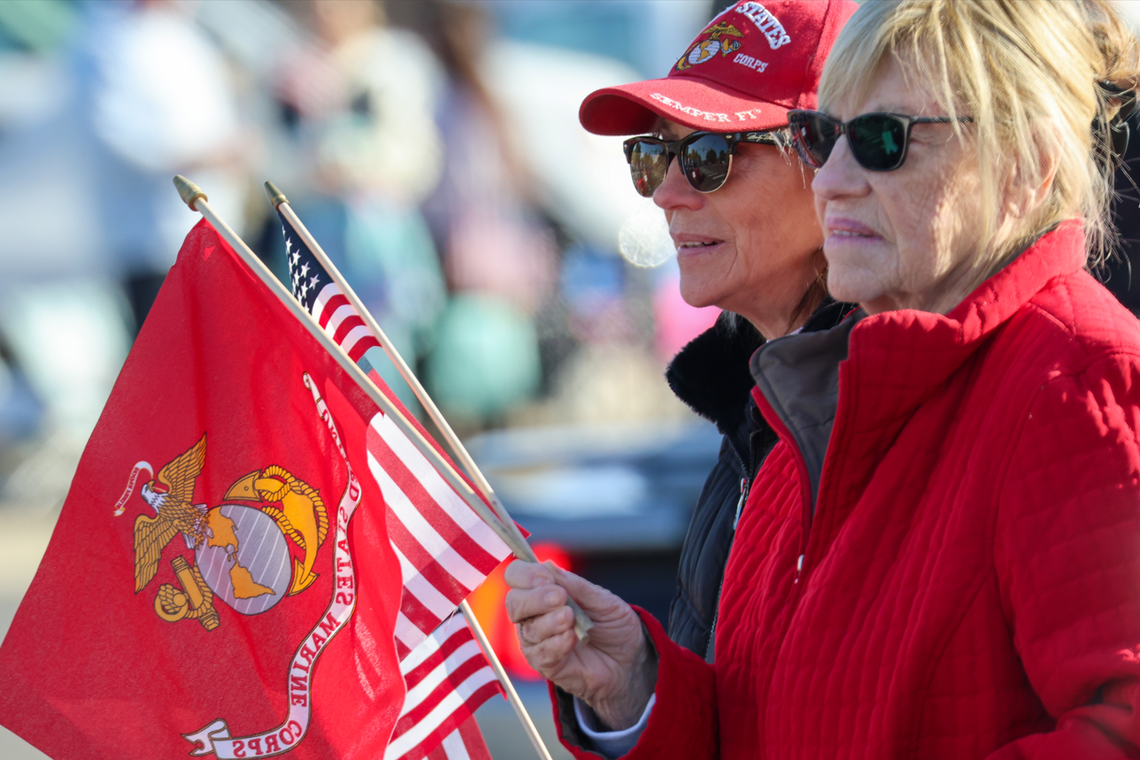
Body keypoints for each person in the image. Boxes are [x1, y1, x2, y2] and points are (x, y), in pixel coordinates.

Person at [505, 0, 1140, 757]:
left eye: (881, 141)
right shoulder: (805, 403)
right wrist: (638, 688)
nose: (831, 179)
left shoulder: (1082, 379)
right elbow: (768, 728)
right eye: (821, 138)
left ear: (1026, 167)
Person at [576, 0, 857, 664]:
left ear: (830, 163)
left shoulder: (875, 420)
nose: (665, 193)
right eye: (653, 156)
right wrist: (635, 692)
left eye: (707, 155)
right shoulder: (755, 405)